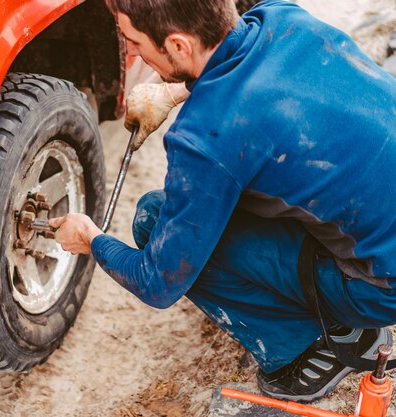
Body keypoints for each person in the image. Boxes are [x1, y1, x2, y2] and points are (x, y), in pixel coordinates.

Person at [49, 0, 396, 403]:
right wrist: (176, 91)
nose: (129, 52)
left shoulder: (205, 139)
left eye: (133, 40)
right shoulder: (280, 17)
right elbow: (244, 71)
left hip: (381, 288)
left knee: (153, 219)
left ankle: (309, 351)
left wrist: (91, 239)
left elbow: (158, 283)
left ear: (178, 45)